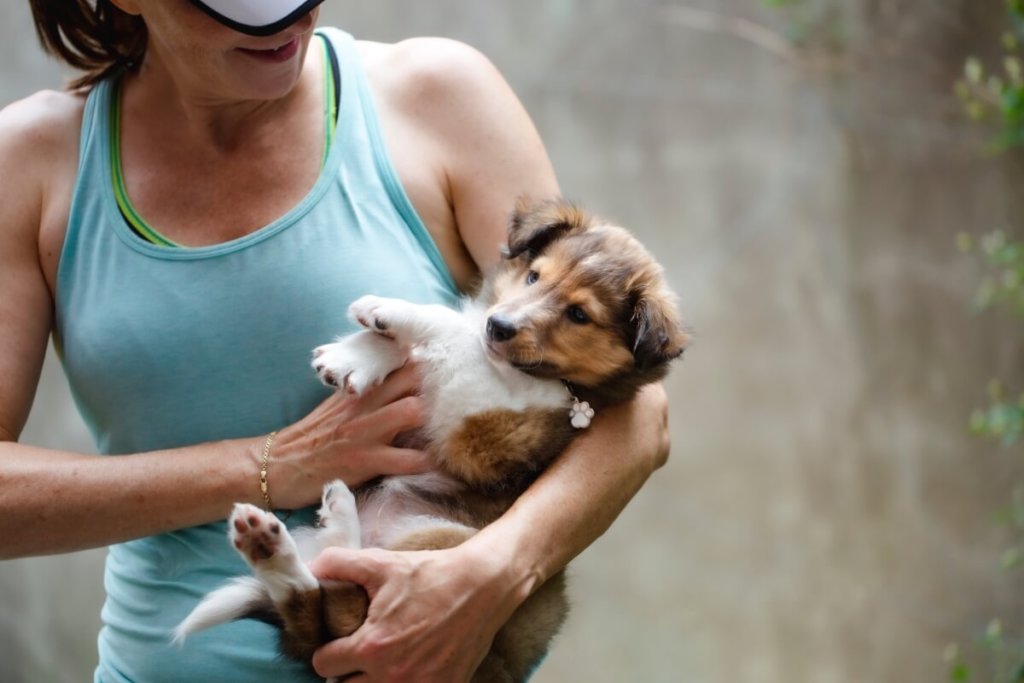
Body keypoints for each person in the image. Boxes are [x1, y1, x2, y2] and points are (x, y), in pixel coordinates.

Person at [0, 0, 671, 680]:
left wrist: (493, 569)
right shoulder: (26, 161)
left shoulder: (438, 97)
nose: (289, 20)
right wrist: (268, 466)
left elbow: (634, 410)